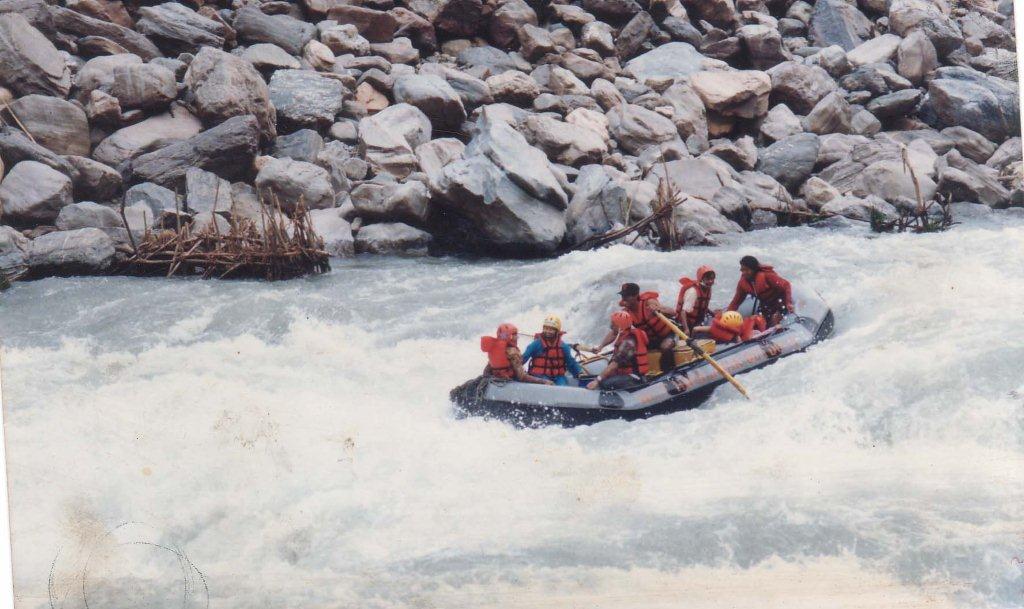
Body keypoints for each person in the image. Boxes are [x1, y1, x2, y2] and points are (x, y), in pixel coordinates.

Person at [593, 283, 677, 374]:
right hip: (650, 341)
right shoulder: (626, 313)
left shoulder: (649, 303)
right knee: (628, 350)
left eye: (627, 296)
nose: (623, 299)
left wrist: (659, 309)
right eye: (623, 296)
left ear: (636, 296)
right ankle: (631, 375)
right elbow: (614, 333)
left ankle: (669, 372)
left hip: (668, 335)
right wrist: (601, 346)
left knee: (665, 346)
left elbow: (673, 312)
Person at [586, 311, 648, 390]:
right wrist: (600, 347)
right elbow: (613, 334)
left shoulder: (629, 343)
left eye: (613, 325)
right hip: (624, 374)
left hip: (635, 378)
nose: (611, 326)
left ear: (620, 327)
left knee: (604, 384)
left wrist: (597, 381)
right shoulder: (624, 331)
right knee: (602, 379)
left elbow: (614, 365)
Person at [726, 255, 794, 327]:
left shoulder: (768, 276)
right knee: (758, 322)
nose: (744, 273)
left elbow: (786, 285)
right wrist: (726, 316)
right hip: (765, 303)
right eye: (742, 270)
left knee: (775, 319)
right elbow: (736, 302)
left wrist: (788, 303)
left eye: (747, 270)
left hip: (780, 300)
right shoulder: (743, 283)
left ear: (754, 269)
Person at [481, 323, 553, 385]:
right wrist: (543, 381)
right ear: (509, 337)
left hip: (497, 382)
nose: (517, 337)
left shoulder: (495, 350)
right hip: (510, 382)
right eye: (514, 335)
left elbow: (486, 371)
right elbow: (522, 377)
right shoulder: (513, 352)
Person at [523, 315, 584, 386]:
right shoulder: (536, 344)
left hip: (558, 377)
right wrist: (514, 371)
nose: (547, 331)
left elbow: (571, 362)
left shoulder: (563, 346)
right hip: (540, 376)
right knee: (548, 385)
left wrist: (579, 373)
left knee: (563, 387)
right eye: (545, 328)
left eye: (551, 329)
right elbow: (524, 358)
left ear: (557, 331)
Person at [676, 266, 716, 334]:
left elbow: (702, 305)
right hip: (688, 324)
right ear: (701, 279)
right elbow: (683, 312)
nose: (710, 281)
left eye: (712, 278)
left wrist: (712, 314)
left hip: (698, 321)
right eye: (708, 278)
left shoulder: (707, 289)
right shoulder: (693, 292)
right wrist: (686, 329)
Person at [694, 311, 768, 344]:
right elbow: (740, 343)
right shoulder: (737, 334)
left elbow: (696, 329)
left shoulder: (716, 328)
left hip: (713, 339)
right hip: (714, 340)